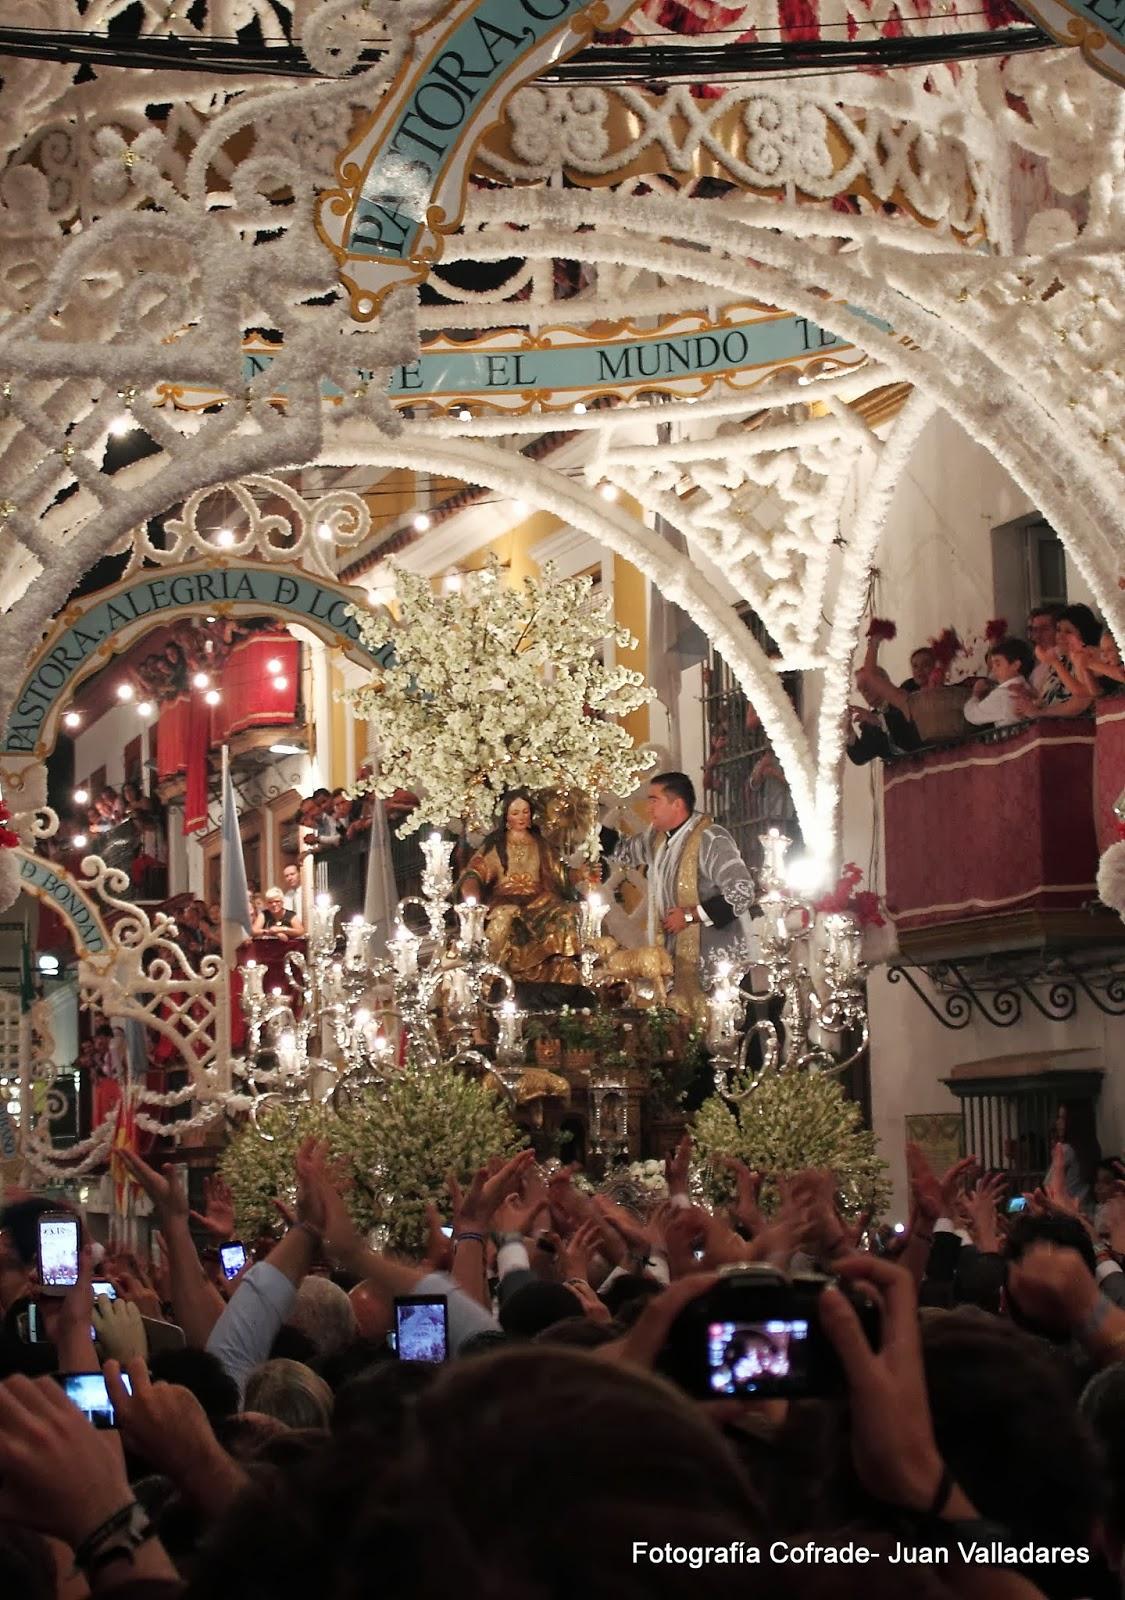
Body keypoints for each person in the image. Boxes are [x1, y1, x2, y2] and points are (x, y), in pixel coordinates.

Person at [612, 772, 756, 1000]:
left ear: (676, 804)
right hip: (676, 961)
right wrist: (587, 826)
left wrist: (690, 915)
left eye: (654, 800)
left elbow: (742, 891)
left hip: (716, 963)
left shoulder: (710, 838)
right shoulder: (658, 839)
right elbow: (624, 850)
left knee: (725, 1031)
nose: (648, 809)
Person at [459, 789, 582, 986]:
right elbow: (476, 872)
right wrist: (471, 887)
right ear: (506, 816)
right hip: (506, 899)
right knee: (508, 919)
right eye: (515, 813)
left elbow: (560, 875)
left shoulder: (540, 844)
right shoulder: (496, 845)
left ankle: (562, 968)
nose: (521, 817)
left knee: (565, 914)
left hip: (541, 900)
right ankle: (511, 974)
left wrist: (582, 874)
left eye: (525, 812)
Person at [847, 645, 936, 765]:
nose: (865, 693)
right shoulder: (869, 722)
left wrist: (877, 721)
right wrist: (848, 729)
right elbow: (860, 756)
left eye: (867, 686)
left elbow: (912, 723)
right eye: (861, 689)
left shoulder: (910, 688)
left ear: (882, 681)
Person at [1012, 603, 1102, 720]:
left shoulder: (1089, 656)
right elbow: (1047, 698)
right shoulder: (1060, 660)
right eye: (1059, 630)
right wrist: (1027, 706)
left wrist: (1040, 713)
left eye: (1068, 632)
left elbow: (1082, 700)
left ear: (1083, 632)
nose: (1060, 636)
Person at [963, 636, 1034, 728]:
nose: (993, 669)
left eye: (998, 664)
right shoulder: (1027, 687)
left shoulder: (1003, 694)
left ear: (1015, 665)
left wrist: (976, 693)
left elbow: (972, 715)